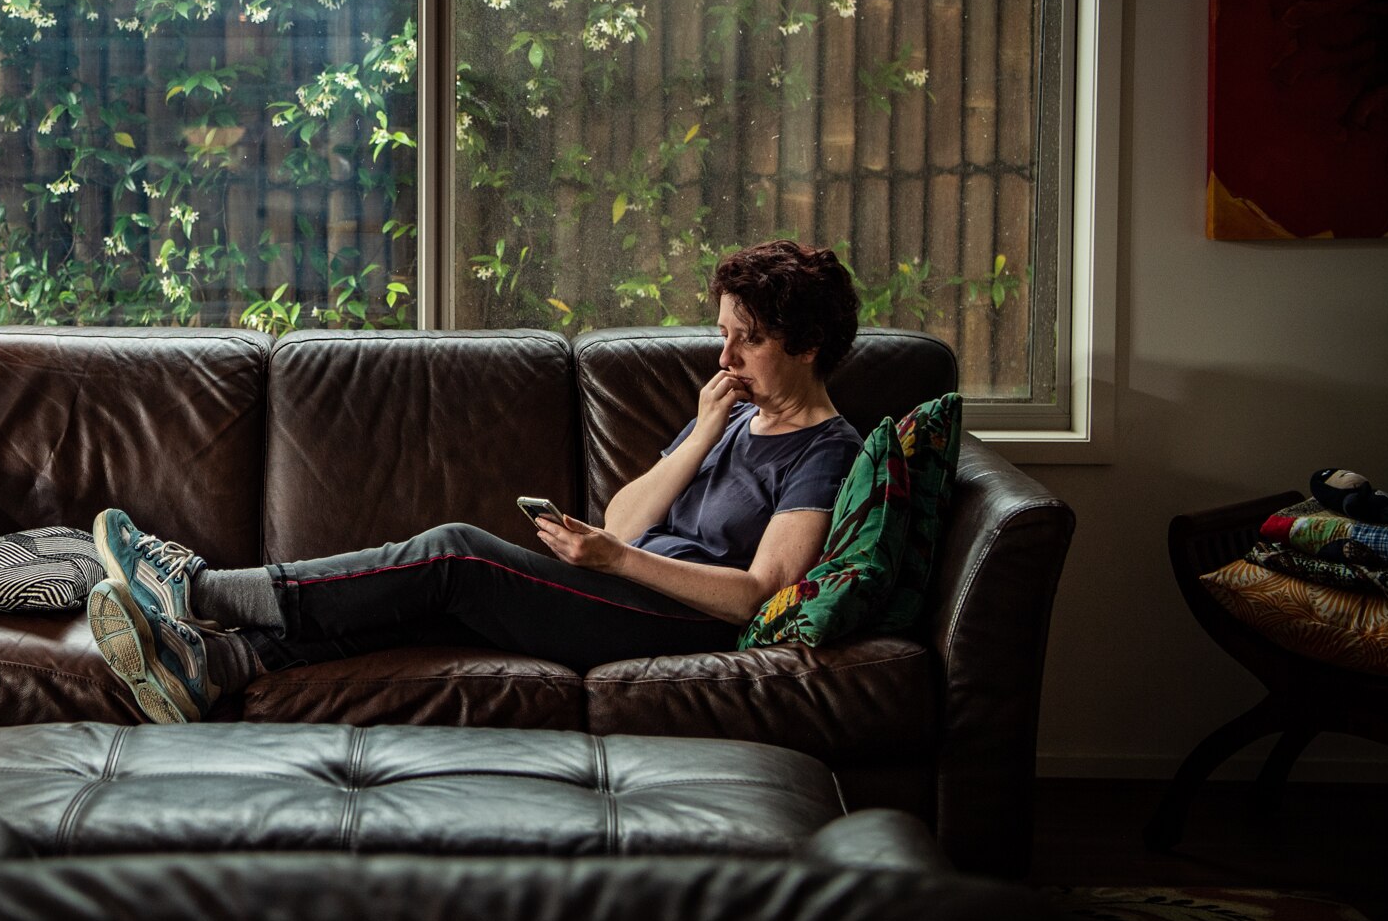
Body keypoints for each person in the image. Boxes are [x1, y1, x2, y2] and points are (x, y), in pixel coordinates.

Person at [86, 239, 866, 725]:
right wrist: (699, 437)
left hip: (680, 622)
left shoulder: (827, 452)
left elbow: (759, 593)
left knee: (455, 555)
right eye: (722, 334)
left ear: (809, 347)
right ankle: (216, 667)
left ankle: (197, 591)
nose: (724, 359)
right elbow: (624, 518)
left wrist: (617, 563)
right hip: (627, 588)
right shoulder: (727, 416)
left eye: (750, 341)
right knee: (428, 605)